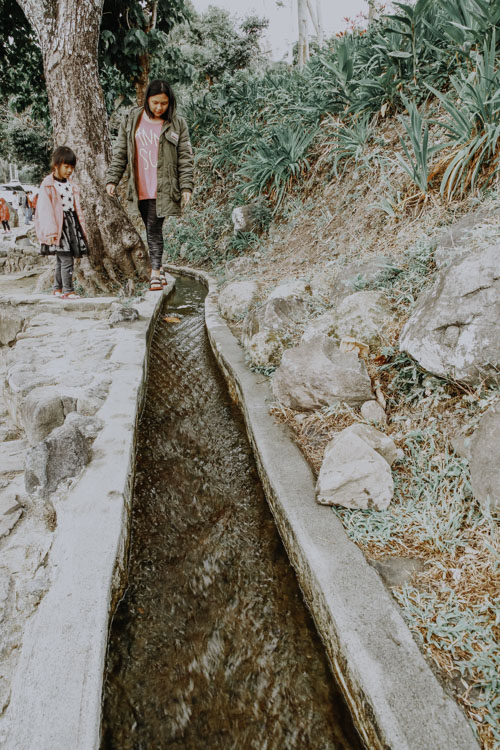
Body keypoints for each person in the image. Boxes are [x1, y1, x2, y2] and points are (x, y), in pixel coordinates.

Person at [105, 79, 194, 291]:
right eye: (155, 102)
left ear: (169, 102)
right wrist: (112, 179)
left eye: (163, 103)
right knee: (149, 227)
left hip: (163, 186)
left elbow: (185, 157)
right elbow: (120, 154)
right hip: (140, 186)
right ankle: (160, 268)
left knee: (154, 228)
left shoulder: (177, 124)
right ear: (147, 100)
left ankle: (155, 271)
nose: (158, 108)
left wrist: (186, 186)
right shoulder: (132, 119)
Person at [34, 146, 88, 299]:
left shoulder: (71, 185)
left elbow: (76, 208)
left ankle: (57, 288)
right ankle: (68, 290)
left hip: (71, 225)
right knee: (66, 259)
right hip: (58, 227)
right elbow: (45, 210)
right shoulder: (48, 185)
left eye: (72, 167)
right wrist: (50, 231)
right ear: (56, 165)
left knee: (61, 259)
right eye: (66, 166)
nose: (69, 170)